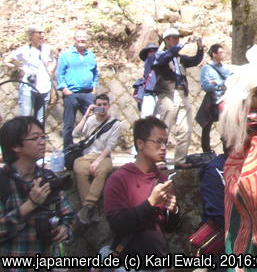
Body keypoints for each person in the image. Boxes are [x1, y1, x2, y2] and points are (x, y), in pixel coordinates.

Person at [103, 116, 180, 258]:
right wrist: (151, 202)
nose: (163, 147)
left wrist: (173, 210)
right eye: (158, 142)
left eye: (165, 142)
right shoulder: (119, 179)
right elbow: (117, 226)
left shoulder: (163, 180)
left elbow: (170, 228)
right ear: (140, 143)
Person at [0, 116, 73, 260]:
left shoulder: (48, 178)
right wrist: (30, 205)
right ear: (16, 146)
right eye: (35, 138)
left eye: (43, 137)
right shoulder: (3, 181)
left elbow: (68, 215)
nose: (42, 142)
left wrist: (65, 229)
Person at [153, 28, 203, 168]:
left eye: (177, 38)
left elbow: (195, 60)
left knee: (185, 128)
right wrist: (181, 45)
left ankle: (180, 160)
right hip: (168, 93)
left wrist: (199, 47)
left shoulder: (180, 58)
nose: (176, 40)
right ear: (166, 40)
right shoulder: (160, 55)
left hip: (182, 93)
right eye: (173, 38)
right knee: (165, 127)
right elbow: (165, 57)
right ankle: (159, 159)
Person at [71, 93, 121, 225]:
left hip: (103, 155)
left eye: (104, 105)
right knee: (80, 170)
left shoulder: (114, 123)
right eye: (99, 105)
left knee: (103, 170)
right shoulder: (90, 120)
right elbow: (75, 133)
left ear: (109, 106)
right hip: (86, 155)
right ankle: (90, 208)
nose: (102, 107)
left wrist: (98, 160)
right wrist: (86, 115)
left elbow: (110, 146)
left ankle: (88, 205)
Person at [3, 25, 57, 124]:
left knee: (40, 118)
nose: (42, 35)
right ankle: (21, 137)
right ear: (31, 35)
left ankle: (37, 137)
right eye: (39, 33)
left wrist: (55, 62)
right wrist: (19, 67)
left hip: (45, 87)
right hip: (28, 87)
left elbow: (50, 68)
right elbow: (7, 60)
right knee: (25, 116)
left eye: (43, 33)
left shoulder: (47, 49)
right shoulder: (24, 50)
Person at [56, 30, 98, 149]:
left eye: (83, 37)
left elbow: (95, 72)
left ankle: (93, 147)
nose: (81, 40)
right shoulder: (66, 54)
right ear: (74, 39)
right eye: (79, 37)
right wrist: (65, 89)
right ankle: (67, 149)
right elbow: (60, 73)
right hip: (71, 93)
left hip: (88, 93)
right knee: (69, 123)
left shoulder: (90, 54)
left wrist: (94, 88)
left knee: (94, 120)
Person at [197, 44, 232, 153]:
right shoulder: (206, 68)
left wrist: (218, 82)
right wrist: (221, 84)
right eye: (221, 52)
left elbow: (232, 80)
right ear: (214, 54)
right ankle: (206, 151)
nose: (223, 54)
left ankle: (227, 151)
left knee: (226, 127)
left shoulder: (225, 68)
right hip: (212, 100)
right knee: (206, 126)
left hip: (225, 100)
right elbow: (205, 85)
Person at [137, 43, 159, 118]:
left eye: (154, 51)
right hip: (149, 94)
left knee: (158, 120)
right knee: (146, 119)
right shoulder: (148, 63)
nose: (153, 53)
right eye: (150, 52)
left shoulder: (160, 65)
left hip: (159, 94)